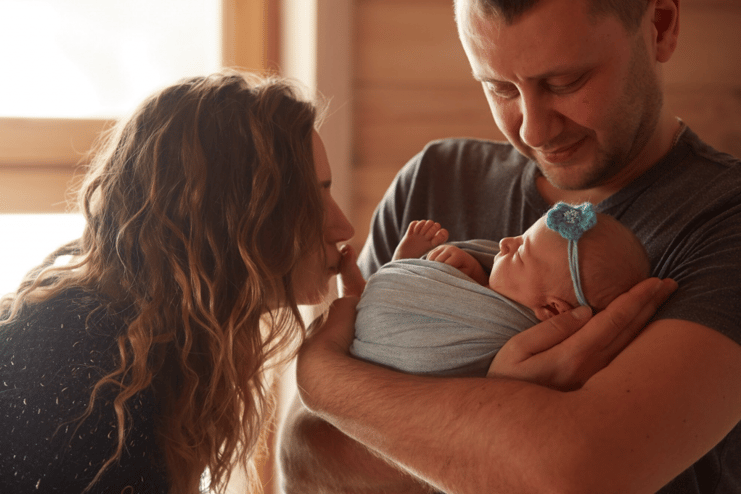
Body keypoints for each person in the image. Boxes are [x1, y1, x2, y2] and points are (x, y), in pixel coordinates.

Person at [279, 0, 741, 492]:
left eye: (566, 83)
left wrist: (322, 377)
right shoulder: (436, 180)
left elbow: (570, 477)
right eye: (500, 88)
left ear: (661, 26)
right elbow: (306, 454)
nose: (533, 129)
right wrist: (509, 411)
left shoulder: (722, 223)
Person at [0, 71, 355, 493]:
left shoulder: (151, 345)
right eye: (314, 199)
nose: (342, 226)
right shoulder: (91, 374)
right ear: (234, 216)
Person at [351, 203, 651, 377]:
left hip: (397, 351)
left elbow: (470, 336)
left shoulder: (522, 337)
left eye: (520, 251)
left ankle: (403, 266)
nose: (506, 241)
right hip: (390, 315)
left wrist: (441, 277)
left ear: (552, 310)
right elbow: (482, 295)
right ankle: (406, 270)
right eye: (521, 236)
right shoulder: (518, 292)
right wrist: (470, 273)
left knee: (388, 294)